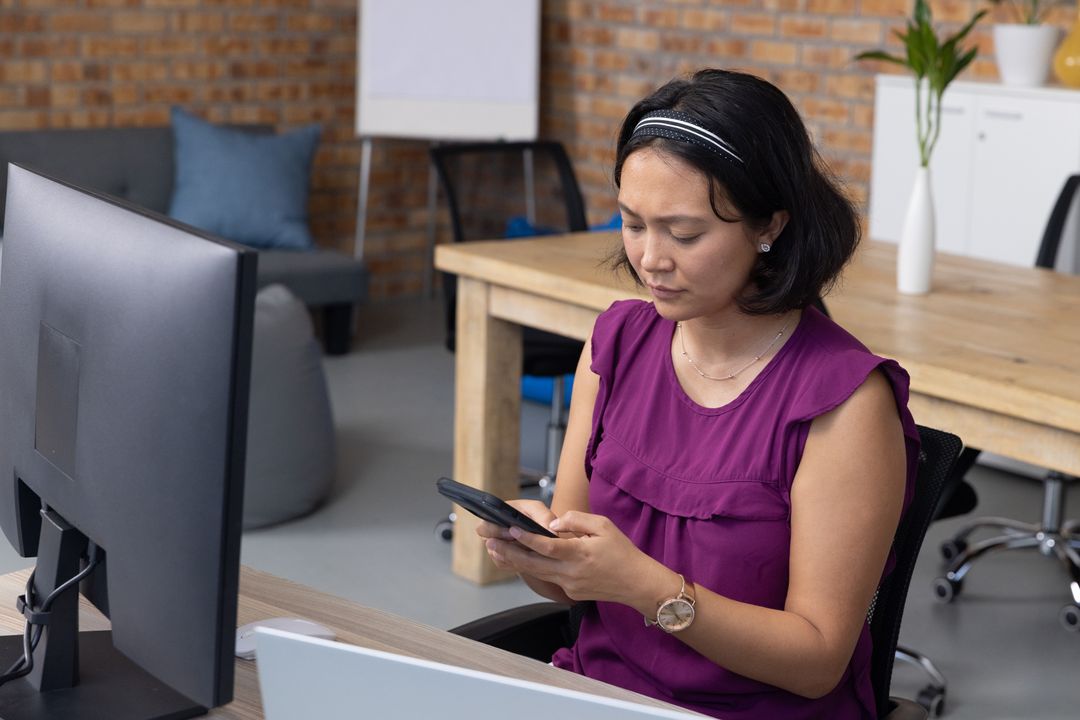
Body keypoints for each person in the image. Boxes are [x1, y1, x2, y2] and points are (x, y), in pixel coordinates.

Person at [477, 69, 920, 719]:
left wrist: (645, 587)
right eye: (632, 224)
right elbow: (570, 582)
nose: (650, 258)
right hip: (596, 698)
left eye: (683, 234)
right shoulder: (615, 347)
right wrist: (532, 551)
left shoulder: (845, 403)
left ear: (769, 225)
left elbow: (819, 660)